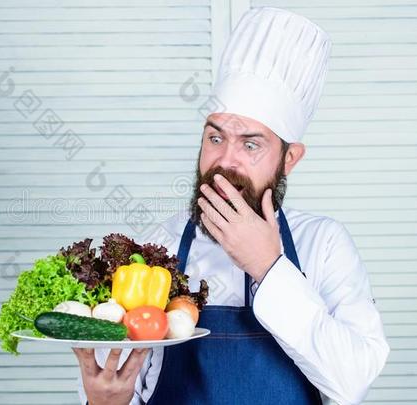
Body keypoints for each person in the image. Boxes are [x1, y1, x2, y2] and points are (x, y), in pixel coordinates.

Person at [73, 7, 389, 405]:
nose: (225, 161)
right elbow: (121, 385)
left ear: (289, 159)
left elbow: (352, 381)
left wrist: (268, 267)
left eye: (251, 144)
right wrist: (105, 402)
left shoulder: (324, 244)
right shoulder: (158, 248)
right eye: (215, 138)